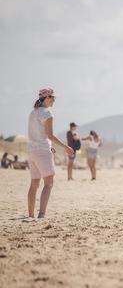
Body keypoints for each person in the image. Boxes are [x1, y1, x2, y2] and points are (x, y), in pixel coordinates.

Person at [27, 88, 74, 218]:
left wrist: (50, 146)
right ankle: (41, 215)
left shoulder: (33, 113)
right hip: (42, 151)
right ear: (47, 98)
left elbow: (39, 135)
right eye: (53, 98)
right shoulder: (47, 113)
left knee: (34, 184)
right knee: (48, 184)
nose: (54, 100)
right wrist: (66, 147)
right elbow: (50, 135)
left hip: (31, 151)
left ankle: (30, 215)